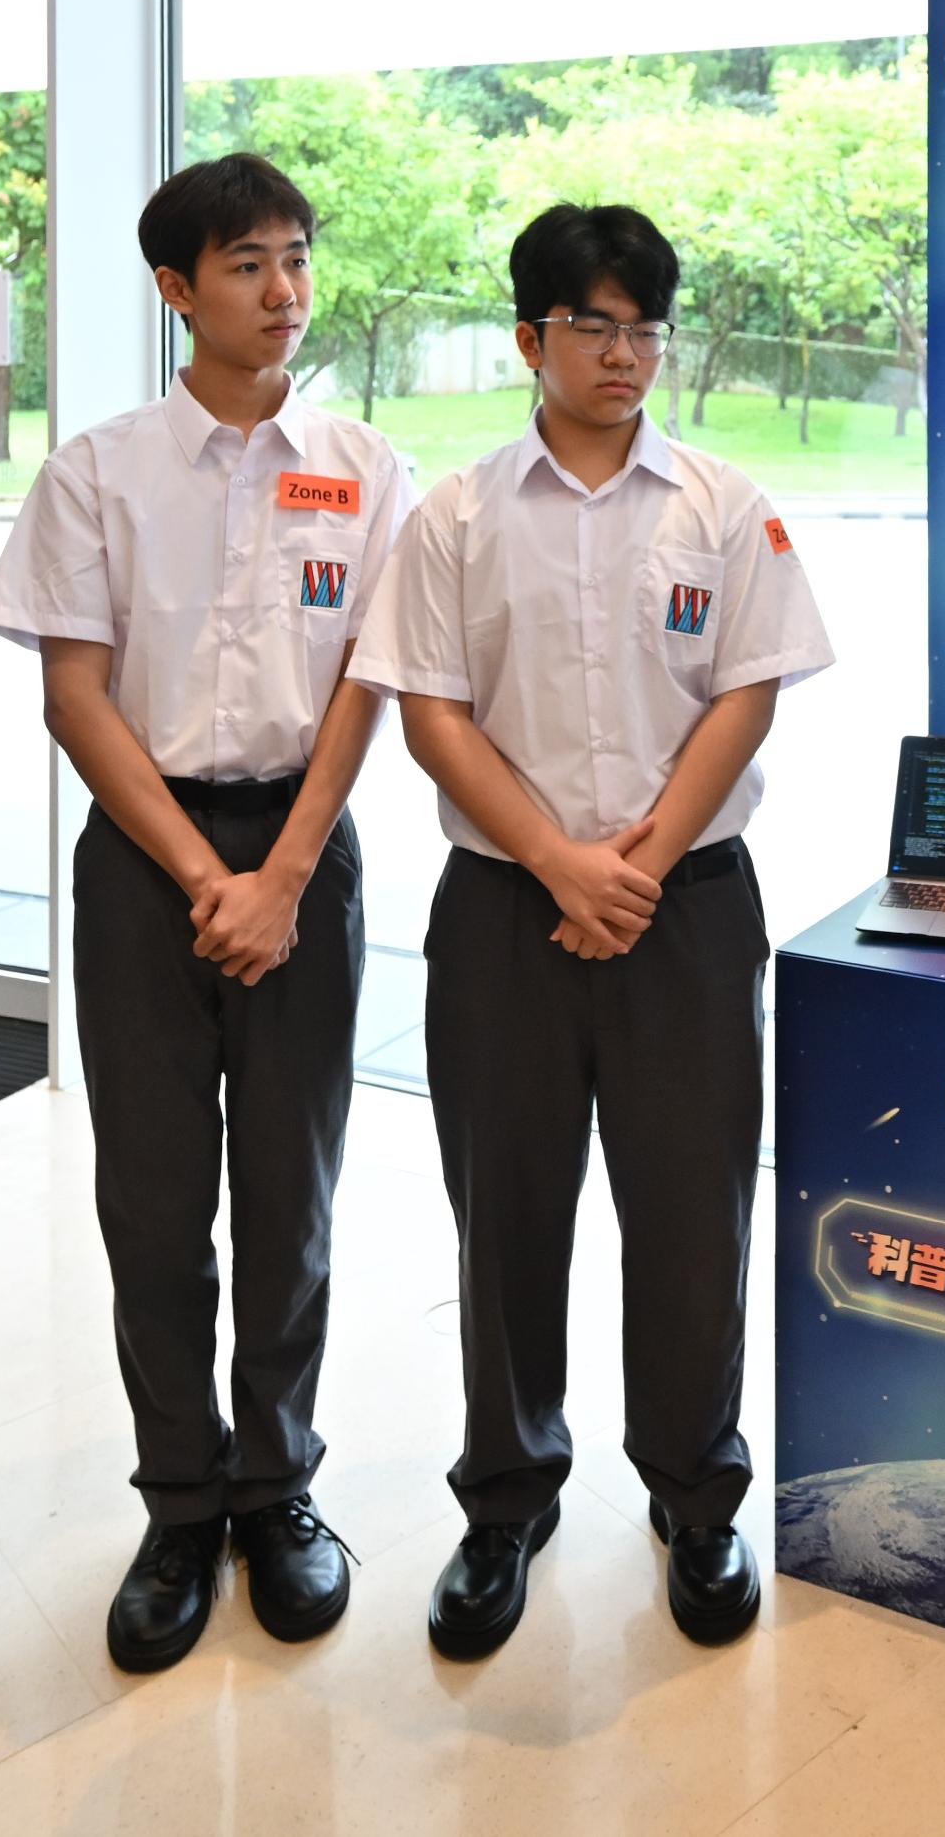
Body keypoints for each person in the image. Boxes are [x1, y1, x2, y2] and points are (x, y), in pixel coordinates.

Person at [358, 202, 831, 1661]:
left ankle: (696, 1497)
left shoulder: (724, 503)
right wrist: (560, 860)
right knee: (505, 1213)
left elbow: (746, 691)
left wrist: (635, 863)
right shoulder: (453, 514)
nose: (625, 353)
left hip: (685, 911)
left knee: (692, 1216)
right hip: (507, 910)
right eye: (594, 326)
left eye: (645, 327)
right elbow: (430, 710)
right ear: (530, 338)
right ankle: (506, 1500)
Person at [0, 153, 410, 1672]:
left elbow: (370, 679)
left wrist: (283, 873)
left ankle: (278, 1487)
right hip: (144, 855)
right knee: (154, 1199)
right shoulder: (98, 466)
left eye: (297, 257)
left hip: (306, 843)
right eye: (247, 265)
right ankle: (177, 1502)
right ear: (176, 286)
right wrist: (204, 875)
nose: (282, 290)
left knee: (291, 1192)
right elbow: (73, 692)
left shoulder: (363, 461)